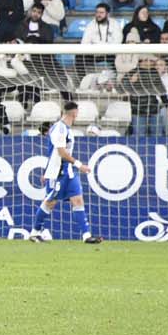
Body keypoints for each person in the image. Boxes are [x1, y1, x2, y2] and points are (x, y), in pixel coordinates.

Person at [28, 101, 101, 244]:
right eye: (77, 112)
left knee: (78, 200)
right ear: (74, 113)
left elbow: (54, 153)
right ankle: (35, 233)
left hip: (69, 172)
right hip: (58, 174)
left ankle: (87, 236)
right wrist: (80, 165)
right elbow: (61, 152)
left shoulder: (67, 129)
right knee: (50, 203)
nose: (78, 114)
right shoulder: (59, 128)